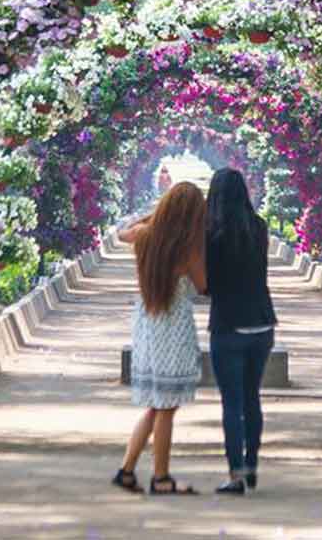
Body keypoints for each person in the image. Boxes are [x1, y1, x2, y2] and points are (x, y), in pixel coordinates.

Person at [113, 182, 207, 495]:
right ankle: (161, 477)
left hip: (147, 322)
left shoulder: (144, 237)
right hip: (174, 325)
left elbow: (122, 231)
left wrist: (153, 216)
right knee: (166, 407)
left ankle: (127, 470)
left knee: (156, 405)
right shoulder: (188, 249)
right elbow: (204, 285)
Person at [205, 168, 277, 495]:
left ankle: (236, 473)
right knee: (252, 398)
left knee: (232, 403)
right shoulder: (258, 227)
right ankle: (252, 465)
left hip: (228, 326)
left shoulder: (212, 234)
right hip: (261, 323)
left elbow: (207, 286)